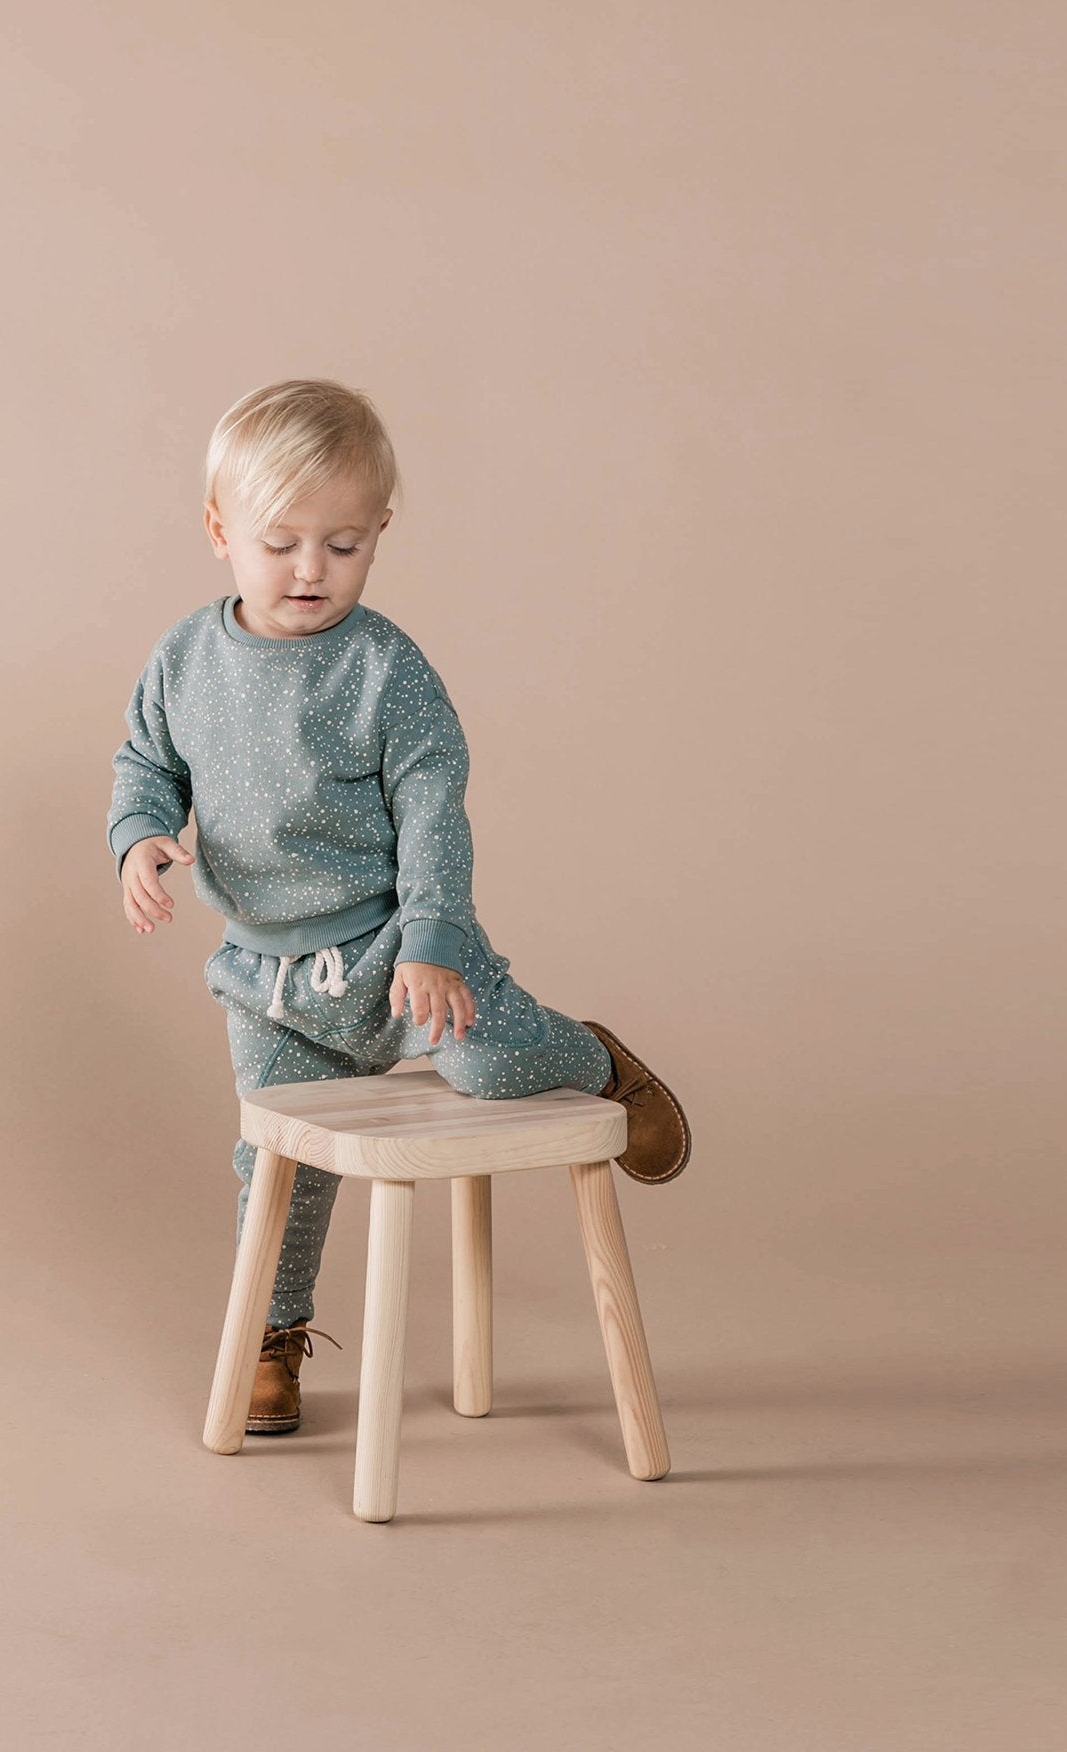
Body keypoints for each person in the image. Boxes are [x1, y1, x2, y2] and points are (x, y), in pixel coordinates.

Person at [107, 379, 690, 1435]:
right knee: (278, 1162)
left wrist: (430, 939)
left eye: (343, 545)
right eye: (281, 543)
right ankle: (273, 1340)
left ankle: (593, 1056)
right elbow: (147, 761)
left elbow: (433, 814)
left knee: (485, 1063)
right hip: (270, 980)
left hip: (390, 952)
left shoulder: (387, 669)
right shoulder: (184, 659)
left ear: (379, 531)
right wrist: (140, 838)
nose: (310, 570)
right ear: (220, 531)